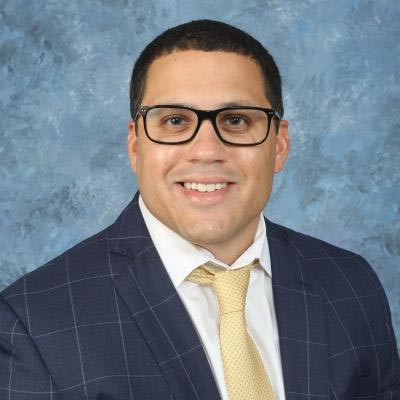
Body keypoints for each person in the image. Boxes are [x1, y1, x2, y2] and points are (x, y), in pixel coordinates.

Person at [0, 19, 399, 400]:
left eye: (237, 120)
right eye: (175, 120)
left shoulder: (351, 285)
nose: (207, 151)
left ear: (279, 146)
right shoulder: (34, 322)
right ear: (136, 145)